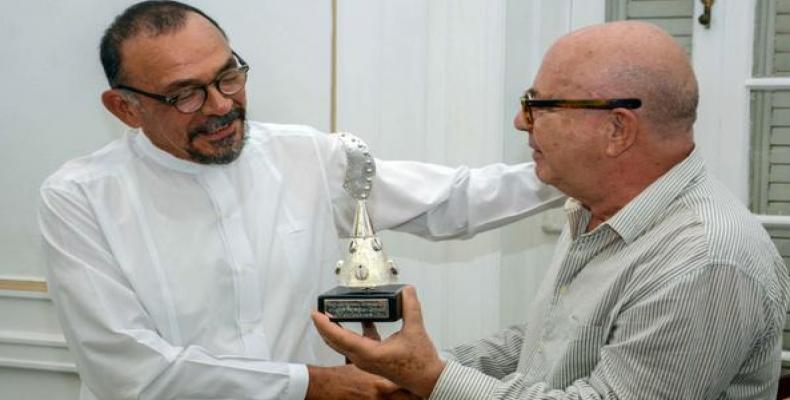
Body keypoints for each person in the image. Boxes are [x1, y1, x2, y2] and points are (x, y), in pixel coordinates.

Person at [37, 1, 561, 399]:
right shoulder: (80, 199)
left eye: (229, 76)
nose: (222, 105)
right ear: (125, 108)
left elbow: (449, 200)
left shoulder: (305, 154)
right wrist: (313, 384)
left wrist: (575, 172)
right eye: (186, 94)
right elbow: (130, 369)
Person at [312, 21, 790, 399]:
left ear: (617, 130)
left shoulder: (705, 262)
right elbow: (546, 345)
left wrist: (434, 379)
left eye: (539, 104)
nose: (522, 121)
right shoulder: (593, 209)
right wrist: (409, 373)